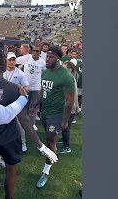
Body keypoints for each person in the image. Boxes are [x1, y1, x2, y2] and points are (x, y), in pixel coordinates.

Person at [0, 44, 58, 199]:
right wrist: (42, 147)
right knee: (10, 170)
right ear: (2, 60)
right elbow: (24, 120)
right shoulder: (12, 88)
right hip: (9, 136)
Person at [30, 46, 75, 189]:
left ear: (58, 58)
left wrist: (65, 121)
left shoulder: (66, 76)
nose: (47, 59)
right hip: (45, 112)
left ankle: (46, 172)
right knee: (48, 140)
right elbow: (42, 90)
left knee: (50, 142)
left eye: (50, 57)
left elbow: (69, 101)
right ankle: (51, 156)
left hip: (56, 114)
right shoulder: (46, 73)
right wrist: (35, 105)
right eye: (47, 56)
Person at [3, 52, 30, 152]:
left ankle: (23, 142)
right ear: (6, 60)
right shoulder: (1, 71)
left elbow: (26, 85)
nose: (11, 62)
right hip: (3, 101)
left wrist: (25, 89)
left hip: (15, 102)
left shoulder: (20, 73)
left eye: (13, 60)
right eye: (10, 59)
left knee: (20, 123)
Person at [57, 61, 80, 153]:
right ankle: (63, 140)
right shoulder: (66, 77)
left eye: (64, 68)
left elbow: (74, 95)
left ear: (70, 69)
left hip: (69, 107)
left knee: (66, 127)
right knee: (64, 126)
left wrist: (76, 107)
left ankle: (66, 146)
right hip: (65, 106)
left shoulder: (70, 79)